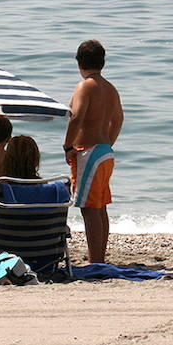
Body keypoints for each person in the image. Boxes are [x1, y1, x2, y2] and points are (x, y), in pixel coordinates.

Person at [63, 39, 123, 264]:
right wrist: (108, 142)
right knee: (100, 206)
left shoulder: (85, 86)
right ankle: (99, 256)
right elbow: (118, 119)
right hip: (105, 151)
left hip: (89, 151)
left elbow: (77, 117)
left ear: (79, 63)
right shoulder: (110, 88)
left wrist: (68, 146)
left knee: (89, 209)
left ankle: (95, 259)